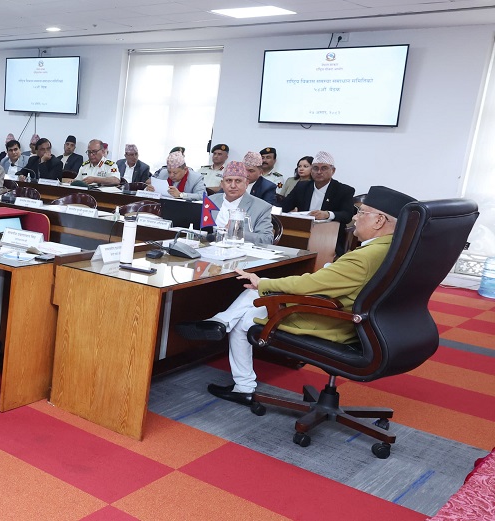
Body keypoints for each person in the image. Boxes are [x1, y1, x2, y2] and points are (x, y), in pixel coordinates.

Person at [178, 185, 416, 406]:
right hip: (363, 319)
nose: (354, 218)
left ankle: (243, 385)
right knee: (257, 294)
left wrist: (263, 282)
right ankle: (219, 321)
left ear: (379, 220)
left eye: (361, 212)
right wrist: (265, 285)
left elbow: (310, 285)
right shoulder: (393, 249)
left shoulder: (364, 257)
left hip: (332, 320)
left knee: (245, 317)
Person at [281, 151, 358, 256]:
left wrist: (328, 214)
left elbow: (347, 215)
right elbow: (284, 206)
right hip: (301, 234)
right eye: (315, 168)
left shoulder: (343, 190)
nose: (319, 172)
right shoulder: (302, 187)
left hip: (329, 239)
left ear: (333, 171)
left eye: (324, 168)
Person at [203, 161, 274, 245]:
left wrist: (237, 233)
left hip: (240, 250)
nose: (233, 186)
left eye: (238, 181)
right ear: (222, 184)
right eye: (228, 181)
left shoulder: (261, 207)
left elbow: (267, 239)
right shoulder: (210, 201)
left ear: (246, 184)